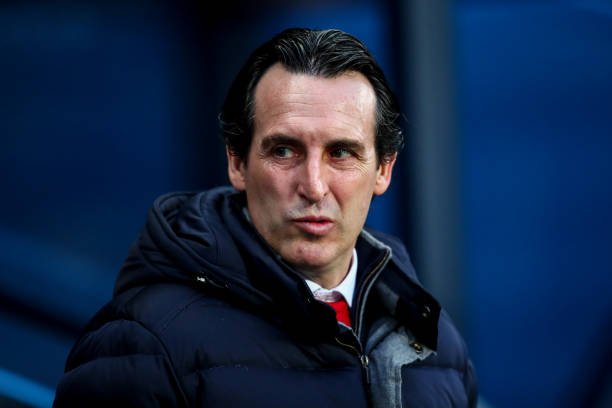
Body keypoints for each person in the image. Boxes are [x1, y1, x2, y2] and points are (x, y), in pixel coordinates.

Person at [53, 27, 477, 407]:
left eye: (341, 152)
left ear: (384, 169)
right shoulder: (145, 343)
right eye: (284, 150)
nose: (313, 186)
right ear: (237, 162)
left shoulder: (433, 339)